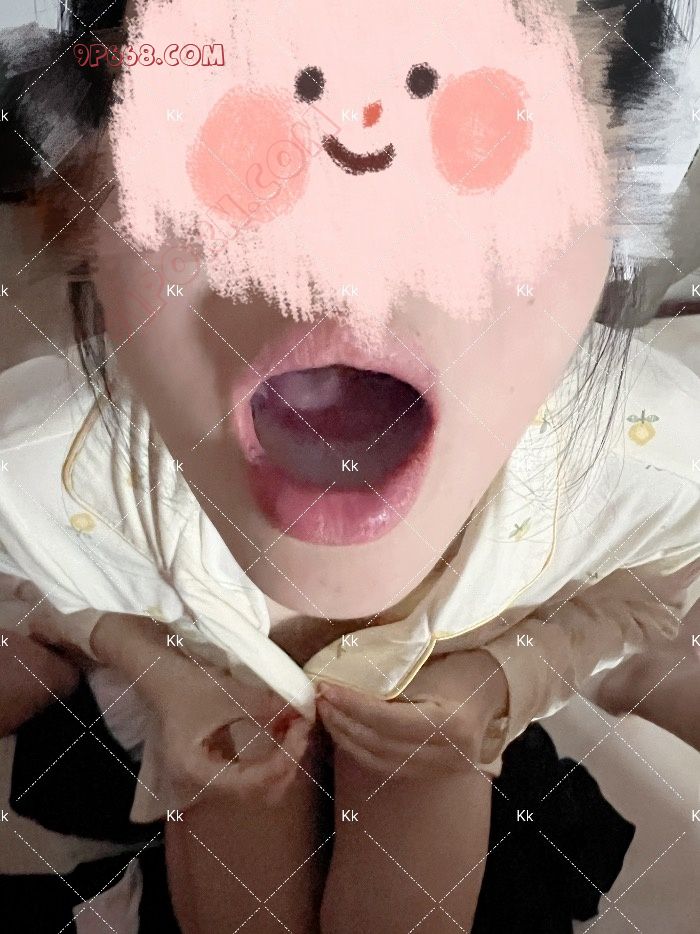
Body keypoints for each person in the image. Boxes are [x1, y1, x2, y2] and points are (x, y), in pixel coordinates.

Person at [1, 0, 699, 931]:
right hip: (198, 697)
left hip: (447, 716)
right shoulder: (45, 467)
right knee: (238, 768)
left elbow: (644, 599)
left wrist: (496, 682)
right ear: (85, 209)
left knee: (422, 772)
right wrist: (168, 681)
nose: (346, 251)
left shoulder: (651, 459)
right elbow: (52, 590)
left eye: (480, 130)